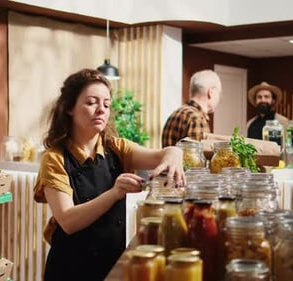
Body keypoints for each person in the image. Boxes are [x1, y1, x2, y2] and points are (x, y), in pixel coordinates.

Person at [33, 69, 185, 281]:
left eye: (106, 104)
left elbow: (164, 154)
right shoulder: (55, 158)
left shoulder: (116, 147)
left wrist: (175, 154)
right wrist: (115, 193)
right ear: (69, 108)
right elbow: (68, 220)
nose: (101, 110)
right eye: (91, 102)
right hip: (70, 269)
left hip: (110, 263)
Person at [161, 69, 222, 147]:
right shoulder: (196, 119)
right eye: (219, 93)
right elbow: (196, 158)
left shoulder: (175, 113)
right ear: (211, 92)